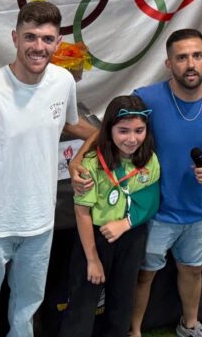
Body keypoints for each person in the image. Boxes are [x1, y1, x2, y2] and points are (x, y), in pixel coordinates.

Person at [71, 29, 202, 337]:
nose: (190, 64)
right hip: (156, 211)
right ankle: (134, 331)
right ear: (168, 63)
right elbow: (110, 127)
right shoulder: (148, 97)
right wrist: (77, 160)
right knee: (143, 276)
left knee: (193, 270)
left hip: (201, 209)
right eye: (181, 57)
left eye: (196, 55)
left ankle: (190, 324)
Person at [0, 1, 97, 337]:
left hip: (39, 225)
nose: (38, 47)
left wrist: (105, 138)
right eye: (30, 37)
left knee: (28, 305)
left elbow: (73, 125)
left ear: (58, 43)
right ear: (15, 38)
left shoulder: (63, 82)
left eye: (47, 39)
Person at [59, 95, 160, 337]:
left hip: (131, 236)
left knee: (122, 299)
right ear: (109, 129)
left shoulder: (149, 160)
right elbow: (82, 212)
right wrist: (92, 259)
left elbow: (150, 200)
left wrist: (125, 224)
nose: (132, 138)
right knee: (83, 301)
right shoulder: (92, 164)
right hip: (95, 240)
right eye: (123, 131)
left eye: (139, 130)